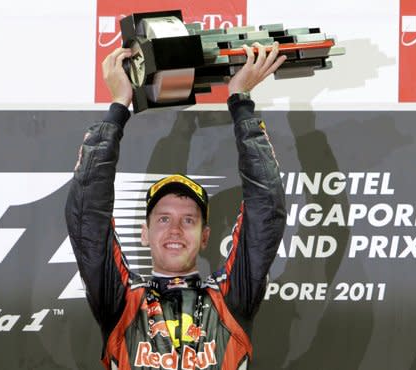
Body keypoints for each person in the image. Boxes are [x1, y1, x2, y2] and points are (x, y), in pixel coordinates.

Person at [66, 41, 287, 370]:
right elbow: (87, 216)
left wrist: (241, 101)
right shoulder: (121, 300)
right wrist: (118, 106)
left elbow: (266, 207)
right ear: (144, 232)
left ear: (205, 236)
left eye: (188, 221)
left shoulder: (231, 296)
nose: (174, 230)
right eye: (163, 219)